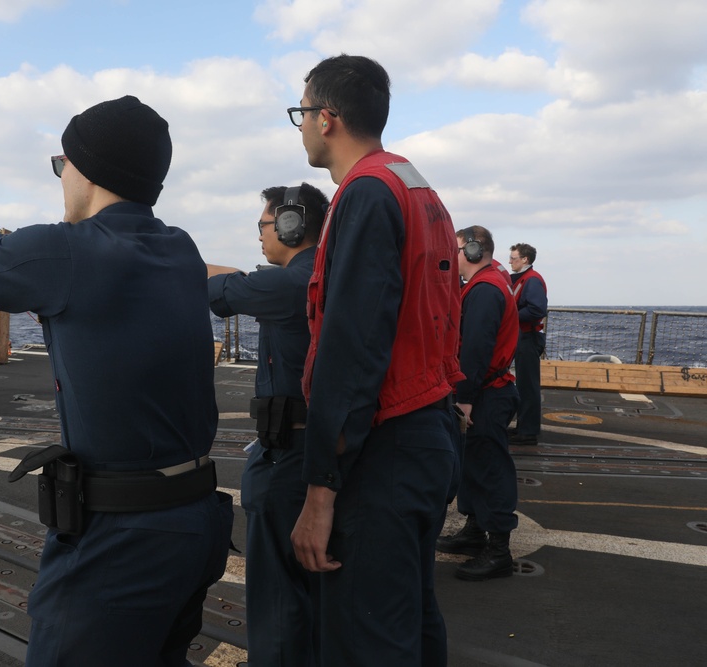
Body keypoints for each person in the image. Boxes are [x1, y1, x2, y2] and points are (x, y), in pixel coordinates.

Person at [0, 95, 234, 667]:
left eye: (60, 166)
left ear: (80, 168)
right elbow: (5, 251)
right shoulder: (177, 247)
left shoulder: (65, 250)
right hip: (193, 525)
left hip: (119, 542)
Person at [287, 54, 463, 666]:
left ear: (327, 118)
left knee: (364, 637)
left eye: (302, 114)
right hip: (428, 431)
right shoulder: (416, 187)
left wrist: (320, 491)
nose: (302, 126)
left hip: (385, 447)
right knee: (410, 621)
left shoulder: (364, 193)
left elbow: (352, 349)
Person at [206, 182, 329, 667]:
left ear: (290, 224)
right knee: (309, 584)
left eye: (263, 224)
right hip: (316, 446)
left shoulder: (289, 284)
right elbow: (238, 277)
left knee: (277, 586)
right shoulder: (317, 273)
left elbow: (212, 287)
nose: (259, 234)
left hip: (289, 456)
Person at [437, 226, 520, 581]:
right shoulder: (490, 280)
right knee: (474, 465)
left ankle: (498, 549)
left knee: (489, 469)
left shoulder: (484, 291)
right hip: (486, 390)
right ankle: (474, 532)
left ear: (471, 250)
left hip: (485, 394)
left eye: (454, 249)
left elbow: (475, 350)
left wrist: (465, 400)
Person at [508, 243, 548, 445]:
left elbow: (536, 309)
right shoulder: (524, 279)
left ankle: (529, 432)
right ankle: (523, 427)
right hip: (523, 335)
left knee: (528, 386)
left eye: (514, 258)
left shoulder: (531, 281)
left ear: (525, 259)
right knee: (524, 384)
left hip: (528, 337)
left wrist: (509, 315)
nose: (510, 261)